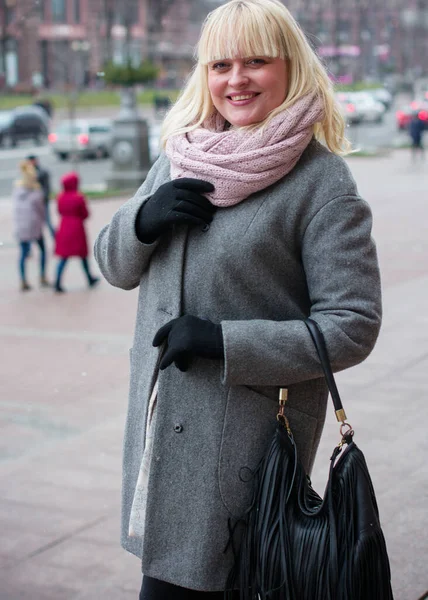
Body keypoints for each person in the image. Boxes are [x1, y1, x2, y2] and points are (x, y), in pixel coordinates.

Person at [94, 1, 382, 598]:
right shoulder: (180, 154)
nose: (236, 79)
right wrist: (142, 220)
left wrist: (226, 343)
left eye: (256, 61)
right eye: (220, 64)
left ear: (291, 68)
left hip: (243, 448)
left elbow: (352, 324)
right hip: (158, 438)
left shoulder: (322, 184)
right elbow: (113, 265)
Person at [54, 172, 99, 293]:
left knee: (63, 257)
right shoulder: (79, 197)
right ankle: (89, 278)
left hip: (64, 227)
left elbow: (59, 210)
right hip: (77, 228)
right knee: (83, 256)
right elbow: (85, 214)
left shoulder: (60, 197)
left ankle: (57, 281)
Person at [12, 160, 48, 291]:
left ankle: (23, 279)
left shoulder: (17, 191)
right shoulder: (36, 193)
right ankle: (42, 276)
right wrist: (43, 221)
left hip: (21, 228)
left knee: (23, 254)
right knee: (43, 250)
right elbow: (41, 211)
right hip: (34, 227)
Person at [27, 154, 55, 238]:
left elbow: (46, 186)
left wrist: (44, 197)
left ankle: (56, 239)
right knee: (37, 223)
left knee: (48, 221)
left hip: (43, 200)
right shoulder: (30, 172)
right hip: (35, 202)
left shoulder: (42, 171)